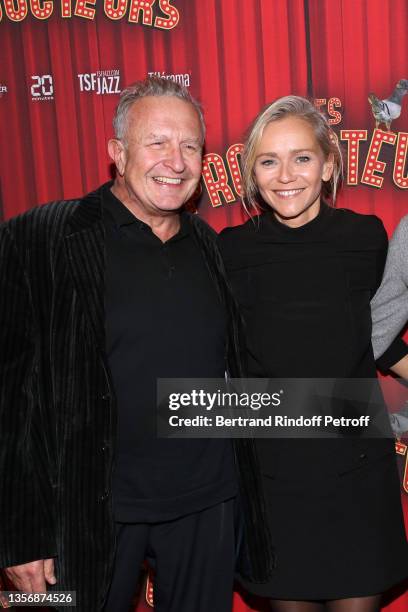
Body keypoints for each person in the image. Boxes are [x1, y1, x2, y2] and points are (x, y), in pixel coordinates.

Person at [0, 77, 273, 612]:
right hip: (80, 516)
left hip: (207, 506)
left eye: (190, 146)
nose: (176, 161)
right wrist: (17, 530)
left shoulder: (209, 246)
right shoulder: (39, 237)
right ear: (117, 154)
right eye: (158, 143)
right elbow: (8, 396)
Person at [218, 96, 408, 612]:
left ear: (328, 165)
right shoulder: (229, 251)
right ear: (252, 172)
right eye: (268, 160)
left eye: (302, 158)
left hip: (357, 469)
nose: (286, 176)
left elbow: (379, 337)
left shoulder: (366, 238)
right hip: (275, 475)